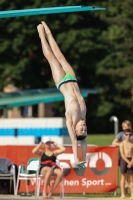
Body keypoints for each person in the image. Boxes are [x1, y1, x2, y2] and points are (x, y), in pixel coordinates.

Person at [37, 21, 87, 169]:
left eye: (81, 130)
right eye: (84, 129)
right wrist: (84, 157)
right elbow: (84, 141)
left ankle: (41, 35)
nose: (83, 127)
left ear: (75, 130)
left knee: (52, 58)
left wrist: (78, 160)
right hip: (72, 78)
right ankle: (48, 32)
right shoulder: (83, 116)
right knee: (60, 55)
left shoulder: (70, 120)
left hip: (62, 82)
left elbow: (76, 142)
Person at [112, 120, 133, 190]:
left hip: (131, 155)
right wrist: (121, 145)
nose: (125, 128)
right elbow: (114, 142)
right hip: (123, 155)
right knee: (124, 172)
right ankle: (125, 187)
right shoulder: (121, 134)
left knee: (131, 173)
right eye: (124, 127)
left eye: (127, 126)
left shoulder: (131, 134)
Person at [119, 128, 133, 199]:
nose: (128, 136)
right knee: (123, 177)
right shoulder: (122, 144)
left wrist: (131, 162)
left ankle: (132, 194)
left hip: (131, 159)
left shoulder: (132, 144)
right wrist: (128, 162)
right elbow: (122, 154)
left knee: (131, 177)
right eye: (127, 134)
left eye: (130, 135)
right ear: (124, 135)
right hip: (124, 160)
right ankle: (123, 194)